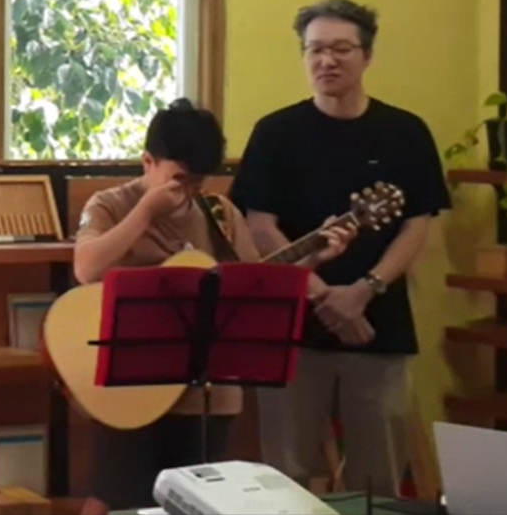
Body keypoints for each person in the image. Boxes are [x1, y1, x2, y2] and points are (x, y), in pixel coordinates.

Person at [74, 100, 353, 514]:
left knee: (195, 502)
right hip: (132, 388)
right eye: (179, 179)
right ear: (148, 162)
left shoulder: (220, 214)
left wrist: (312, 259)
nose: (188, 192)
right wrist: (145, 211)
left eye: (198, 181)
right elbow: (86, 267)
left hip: (209, 393)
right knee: (116, 498)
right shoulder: (110, 204)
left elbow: (256, 286)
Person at [232, 0, 449, 494]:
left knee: (379, 478)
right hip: (292, 329)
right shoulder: (275, 133)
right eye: (315, 50)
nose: (326, 60)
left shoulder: (406, 133)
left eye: (341, 49)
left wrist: (365, 289)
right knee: (283, 478)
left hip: (377, 327)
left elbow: (417, 225)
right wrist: (323, 295)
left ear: (367, 56)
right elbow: (260, 225)